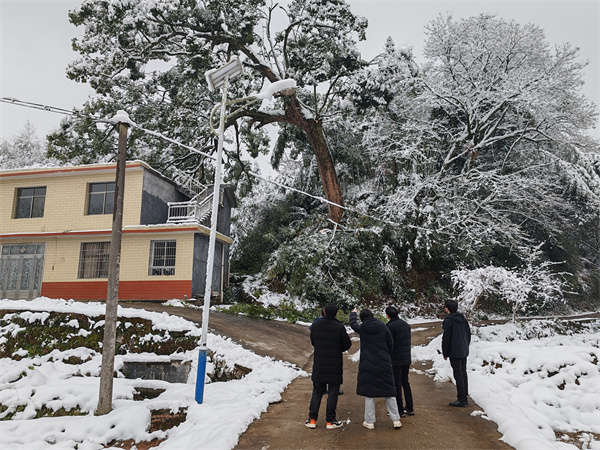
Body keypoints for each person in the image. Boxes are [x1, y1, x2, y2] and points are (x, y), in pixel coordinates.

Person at [349, 307, 402, 430]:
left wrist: (353, 314)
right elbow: (390, 342)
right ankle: (396, 420)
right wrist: (387, 355)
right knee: (389, 391)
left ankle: (370, 421)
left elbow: (352, 324)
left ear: (362, 318)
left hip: (368, 363)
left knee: (369, 393)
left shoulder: (363, 328)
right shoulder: (383, 326)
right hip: (383, 361)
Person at [305, 303, 352, 429]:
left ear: (324, 312)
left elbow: (313, 341)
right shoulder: (339, 327)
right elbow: (347, 344)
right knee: (332, 393)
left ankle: (312, 420)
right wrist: (337, 348)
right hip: (334, 365)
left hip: (319, 364)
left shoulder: (315, 325)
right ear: (336, 313)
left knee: (317, 392)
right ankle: (330, 421)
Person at [385, 305, 414, 417]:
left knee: (396, 384)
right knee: (405, 382)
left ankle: (399, 409)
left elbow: (389, 344)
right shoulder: (405, 325)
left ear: (387, 315)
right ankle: (410, 407)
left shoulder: (390, 327)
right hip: (406, 358)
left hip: (395, 360)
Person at [442, 299, 471, 407]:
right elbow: (468, 334)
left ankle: (462, 399)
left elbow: (446, 337)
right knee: (463, 373)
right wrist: (466, 346)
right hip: (463, 349)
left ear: (447, 309)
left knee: (458, 374)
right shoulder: (463, 319)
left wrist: (445, 352)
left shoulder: (449, 321)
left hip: (454, 351)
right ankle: (464, 396)